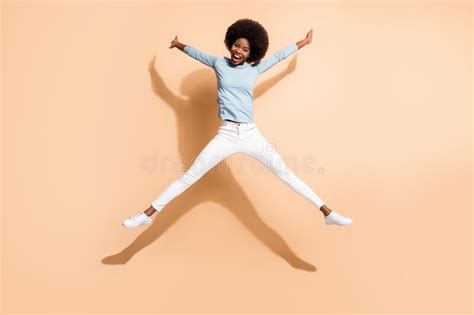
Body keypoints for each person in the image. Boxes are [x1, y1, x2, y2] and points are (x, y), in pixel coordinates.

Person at [122, 18, 352, 228]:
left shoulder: (255, 69)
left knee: (286, 174)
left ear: (252, 53)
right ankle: (146, 215)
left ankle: (327, 213)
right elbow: (196, 54)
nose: (238, 51)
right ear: (230, 42)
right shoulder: (218, 64)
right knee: (189, 176)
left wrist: (304, 42)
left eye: (245, 49)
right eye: (236, 45)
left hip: (251, 134)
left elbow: (280, 56)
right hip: (227, 135)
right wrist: (178, 45)